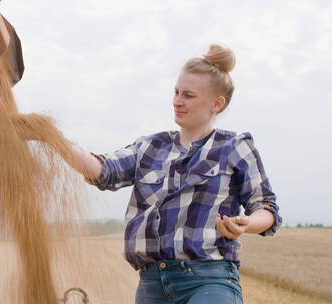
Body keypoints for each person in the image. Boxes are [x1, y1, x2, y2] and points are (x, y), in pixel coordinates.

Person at [45, 44, 280, 303]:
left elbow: (266, 208)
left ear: (217, 104)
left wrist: (246, 224)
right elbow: (103, 170)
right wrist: (52, 137)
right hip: (151, 285)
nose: (177, 101)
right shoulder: (150, 146)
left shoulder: (234, 146)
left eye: (188, 95)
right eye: (176, 92)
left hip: (209, 280)